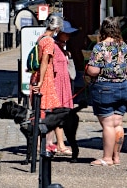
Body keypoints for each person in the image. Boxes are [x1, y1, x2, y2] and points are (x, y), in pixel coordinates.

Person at [85, 16, 127, 167]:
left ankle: (106, 158)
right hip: (123, 87)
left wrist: (87, 68)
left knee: (107, 124)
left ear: (103, 29)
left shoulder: (100, 47)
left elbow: (94, 70)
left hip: (104, 88)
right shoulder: (124, 46)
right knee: (118, 123)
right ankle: (116, 157)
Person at [30, 13, 64, 147]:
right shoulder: (49, 41)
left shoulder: (41, 37)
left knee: (42, 111)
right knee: (47, 112)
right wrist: (41, 81)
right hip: (45, 78)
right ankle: (40, 145)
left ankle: (45, 144)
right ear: (57, 28)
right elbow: (44, 61)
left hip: (38, 75)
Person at [48, 19, 77, 155]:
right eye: (67, 33)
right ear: (59, 32)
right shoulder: (53, 46)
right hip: (56, 84)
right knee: (59, 114)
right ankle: (59, 144)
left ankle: (53, 143)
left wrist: (68, 57)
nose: (69, 36)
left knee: (61, 114)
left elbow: (73, 74)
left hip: (64, 84)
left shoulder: (63, 48)